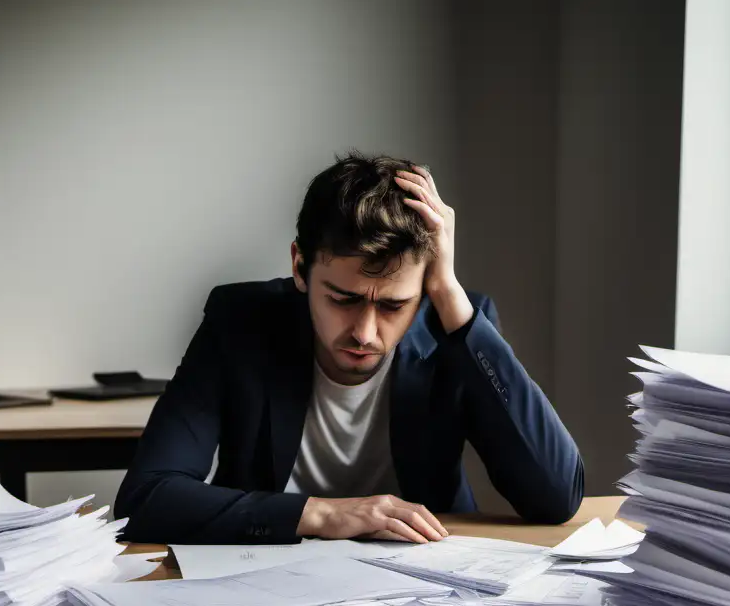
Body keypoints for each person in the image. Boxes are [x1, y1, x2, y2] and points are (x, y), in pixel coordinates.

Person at [115, 152, 584, 545]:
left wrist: (448, 295)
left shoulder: (454, 327)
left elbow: (556, 497)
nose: (365, 332)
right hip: (263, 585)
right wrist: (320, 514)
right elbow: (147, 497)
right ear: (300, 266)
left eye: (395, 305)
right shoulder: (240, 320)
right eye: (343, 299)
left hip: (425, 584)